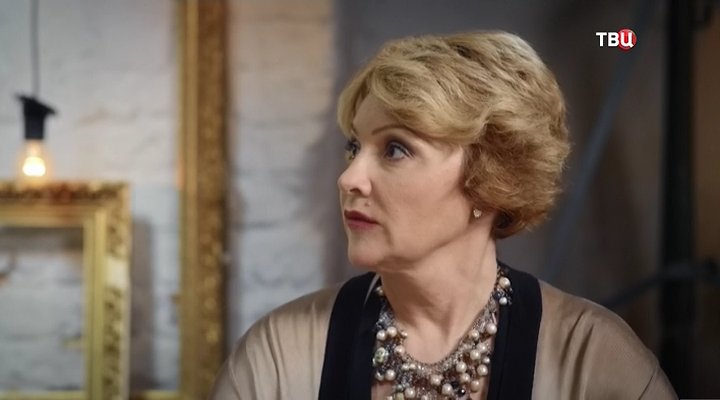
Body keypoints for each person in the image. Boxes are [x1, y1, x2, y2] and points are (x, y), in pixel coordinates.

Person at [209, 31, 677, 400]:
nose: (349, 178)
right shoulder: (278, 357)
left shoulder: (593, 358)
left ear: (489, 181)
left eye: (395, 149)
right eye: (354, 147)